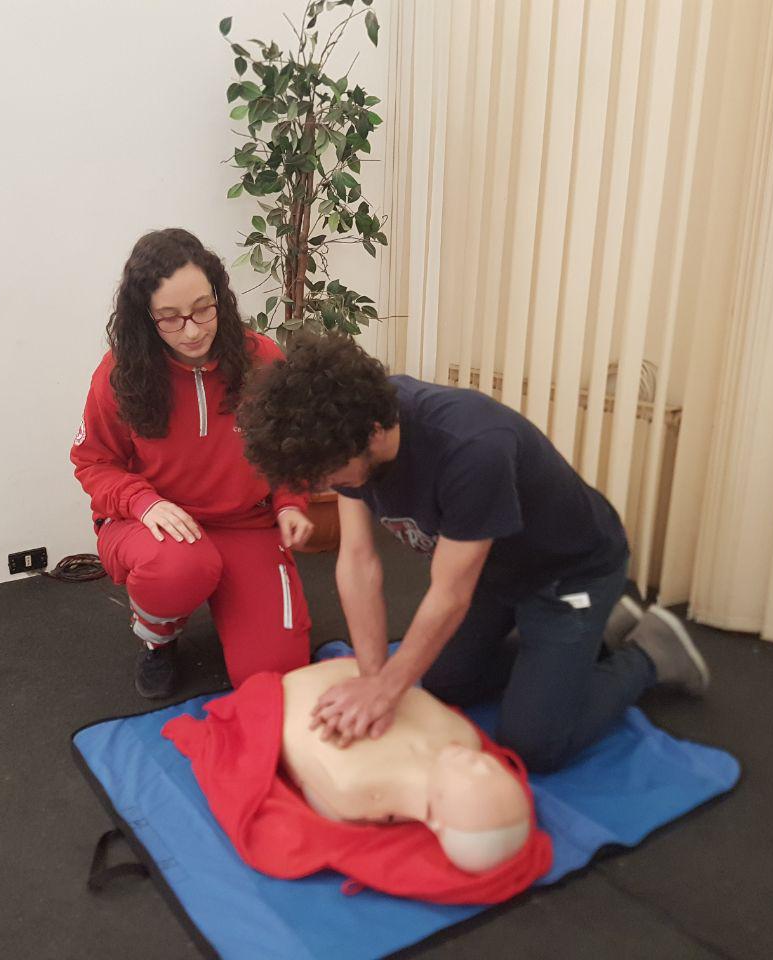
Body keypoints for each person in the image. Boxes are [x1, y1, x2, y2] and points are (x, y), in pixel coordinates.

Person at [236, 335, 709, 773]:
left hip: (569, 572)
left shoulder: (470, 448)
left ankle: (649, 653)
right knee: (445, 684)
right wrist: (373, 677)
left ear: (374, 433)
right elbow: (358, 562)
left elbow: (450, 594)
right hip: (493, 570)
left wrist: (387, 688)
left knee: (534, 743)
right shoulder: (342, 431)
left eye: (329, 474)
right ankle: (592, 637)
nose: (326, 485)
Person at [70, 228, 314, 699]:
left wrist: (289, 504)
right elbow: (93, 462)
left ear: (219, 295)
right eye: (171, 318)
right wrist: (142, 503)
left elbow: (289, 445)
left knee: (274, 675)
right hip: (157, 526)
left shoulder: (262, 359)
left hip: (245, 523)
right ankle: (158, 639)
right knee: (179, 567)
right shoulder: (120, 373)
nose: (193, 330)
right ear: (146, 317)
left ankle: (237, 603)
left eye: (204, 308)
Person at [281, 657, 532, 873]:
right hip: (345, 675)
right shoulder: (464, 736)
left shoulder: (351, 787)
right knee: (449, 678)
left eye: (478, 784)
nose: (481, 764)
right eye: (495, 771)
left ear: (436, 822)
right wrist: (375, 680)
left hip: (300, 687)